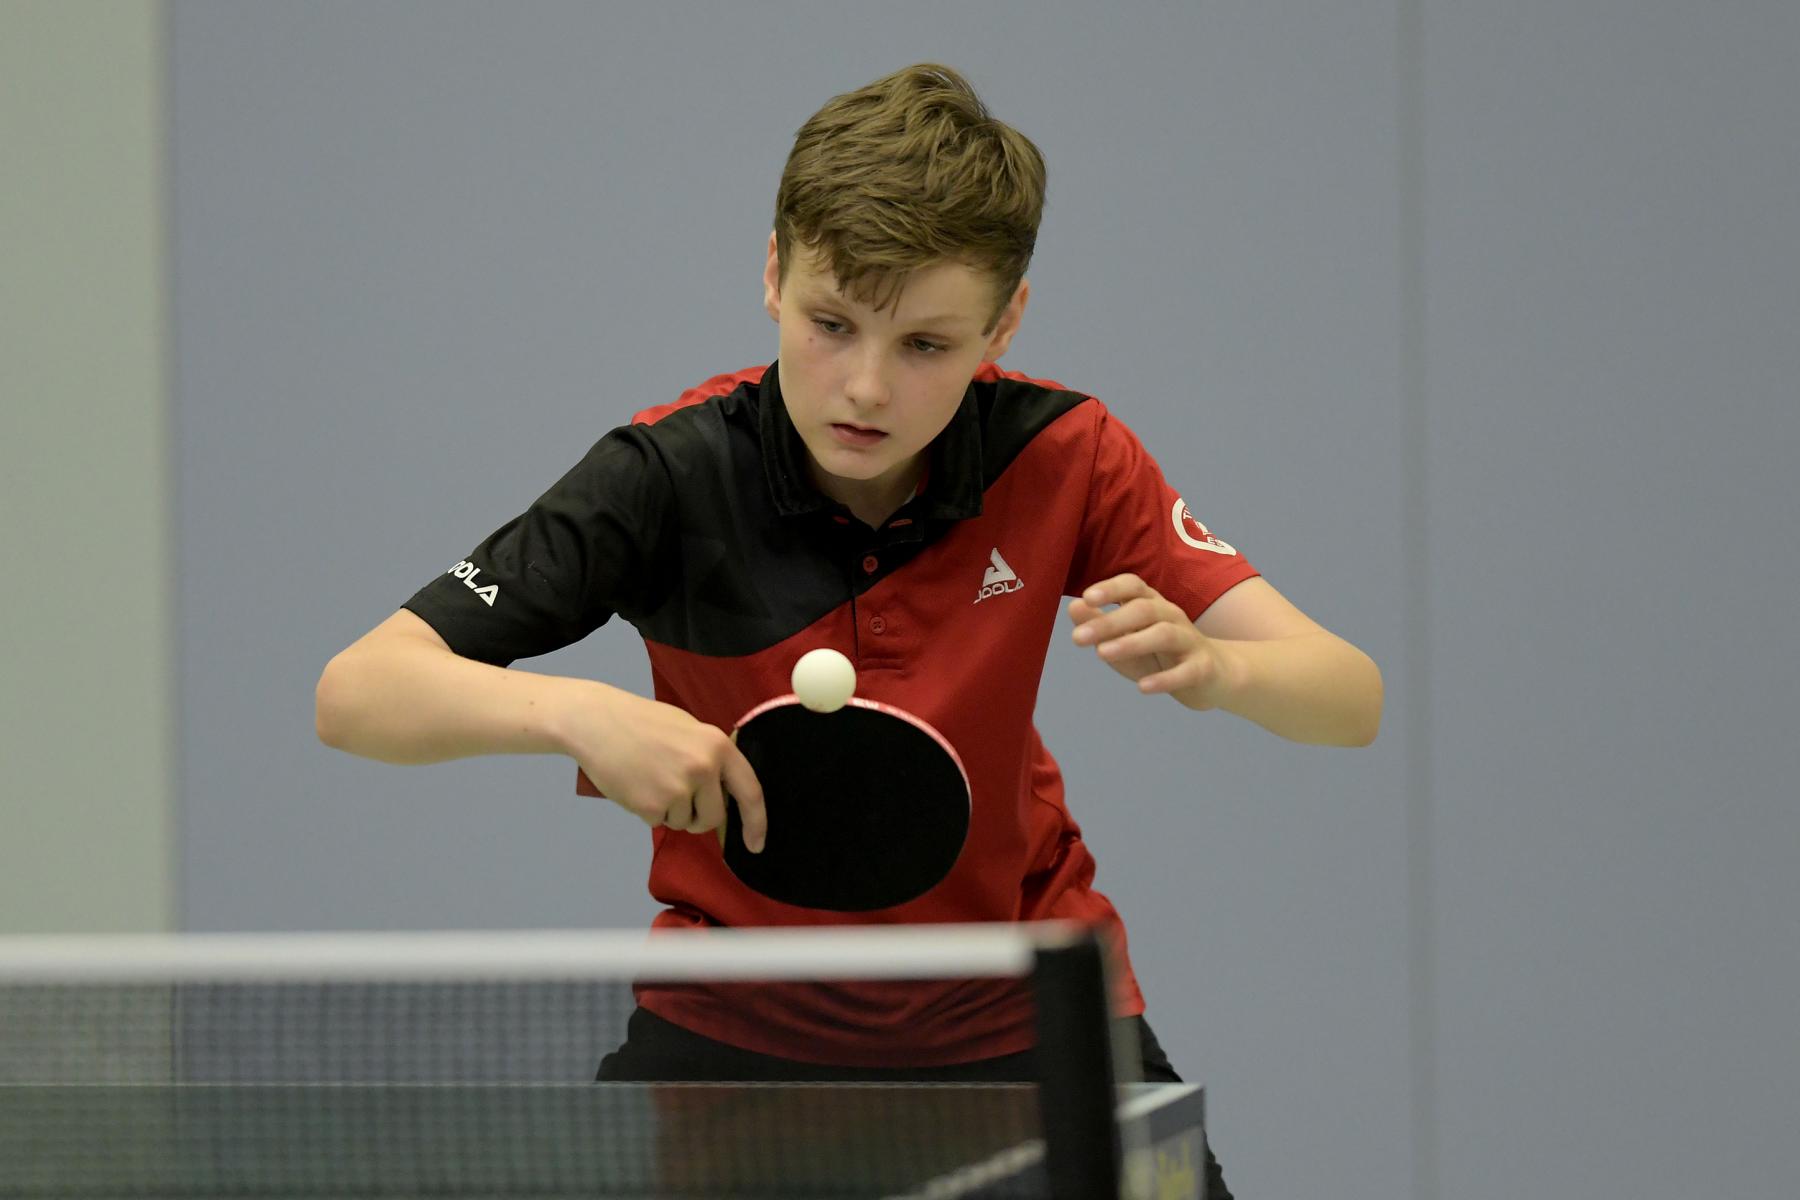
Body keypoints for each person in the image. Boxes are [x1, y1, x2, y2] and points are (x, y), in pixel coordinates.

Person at [316, 64, 1381, 1197]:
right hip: (738, 1031)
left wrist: (1218, 669)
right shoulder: (667, 476)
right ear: (774, 273)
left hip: (1032, 1007)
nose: (866, 387)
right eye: (831, 325)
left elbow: (1347, 694)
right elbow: (358, 691)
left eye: (926, 345)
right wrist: (575, 715)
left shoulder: (1064, 456)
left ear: (1004, 323)